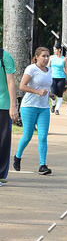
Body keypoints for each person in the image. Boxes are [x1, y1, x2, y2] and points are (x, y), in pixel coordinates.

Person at [14, 47, 53, 175]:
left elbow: (45, 87)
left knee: (43, 137)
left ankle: (43, 165)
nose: (46, 58)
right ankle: (17, 157)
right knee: (27, 135)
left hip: (44, 108)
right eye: (43, 56)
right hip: (29, 106)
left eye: (48, 56)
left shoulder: (49, 70)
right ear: (36, 57)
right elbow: (22, 86)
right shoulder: (31, 69)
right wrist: (37, 92)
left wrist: (50, 94)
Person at [0, 45, 18, 185]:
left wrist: (13, 106)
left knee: (3, 141)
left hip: (3, 105)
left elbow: (11, 82)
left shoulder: (4, 56)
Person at [49, 44, 67, 114]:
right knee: (53, 93)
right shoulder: (51, 58)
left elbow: (66, 69)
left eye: (55, 49)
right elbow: (48, 67)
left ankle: (57, 109)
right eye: (54, 49)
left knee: (60, 94)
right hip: (53, 77)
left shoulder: (64, 59)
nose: (54, 51)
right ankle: (53, 105)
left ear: (59, 50)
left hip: (61, 78)